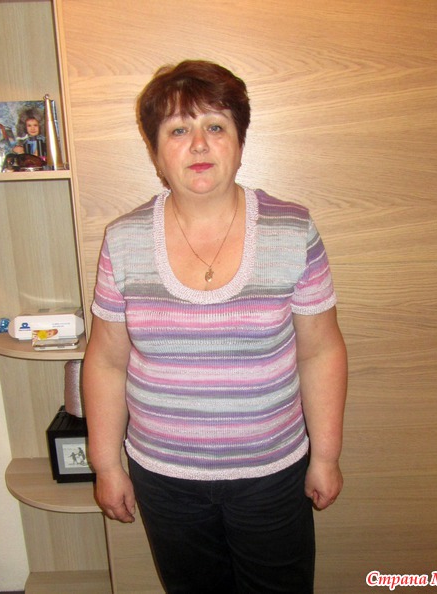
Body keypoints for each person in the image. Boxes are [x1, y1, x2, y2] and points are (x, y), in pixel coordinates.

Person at [82, 59, 347, 594]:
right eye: (178, 130)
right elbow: (106, 359)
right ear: (156, 152)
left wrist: (326, 456)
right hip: (164, 478)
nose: (199, 144)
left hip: (272, 474)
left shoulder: (292, 229)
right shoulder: (123, 239)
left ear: (240, 142)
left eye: (216, 126)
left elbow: (321, 350)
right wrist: (106, 464)